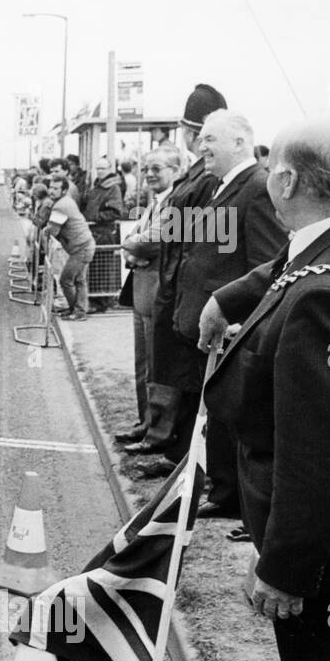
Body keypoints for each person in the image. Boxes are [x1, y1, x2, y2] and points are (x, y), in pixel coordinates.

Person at [201, 116, 330, 661]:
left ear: (283, 180)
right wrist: (228, 298)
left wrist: (285, 568)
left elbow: (321, 456)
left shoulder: (321, 300)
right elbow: (287, 261)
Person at [174, 110, 285, 516]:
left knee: (233, 417)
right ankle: (224, 491)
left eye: (209, 139)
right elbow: (202, 248)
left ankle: (232, 497)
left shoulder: (254, 188)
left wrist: (245, 319)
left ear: (239, 143)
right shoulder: (221, 186)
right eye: (201, 139)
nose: (201, 147)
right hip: (210, 320)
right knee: (216, 412)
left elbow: (268, 263)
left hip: (236, 327)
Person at [126, 84, 227, 480]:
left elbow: (189, 238)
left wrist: (147, 240)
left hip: (181, 288)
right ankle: (176, 453)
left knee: (186, 380)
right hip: (175, 286)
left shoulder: (204, 178)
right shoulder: (199, 175)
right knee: (177, 376)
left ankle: (184, 459)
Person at [114, 147, 181, 444]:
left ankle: (157, 431)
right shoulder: (154, 203)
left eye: (157, 168)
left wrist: (131, 245)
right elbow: (138, 246)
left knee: (158, 367)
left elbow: (148, 244)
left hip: (158, 295)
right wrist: (133, 248)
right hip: (142, 292)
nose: (150, 174)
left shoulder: (176, 204)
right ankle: (145, 422)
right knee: (143, 365)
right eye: (146, 169)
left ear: (175, 170)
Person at [44, 174, 96, 321]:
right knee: (79, 280)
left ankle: (78, 312)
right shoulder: (66, 201)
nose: (51, 191)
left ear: (64, 190)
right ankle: (76, 309)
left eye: (55, 188)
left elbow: (53, 231)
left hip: (81, 248)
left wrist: (47, 228)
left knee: (65, 280)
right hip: (84, 245)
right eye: (50, 187)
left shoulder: (61, 205)